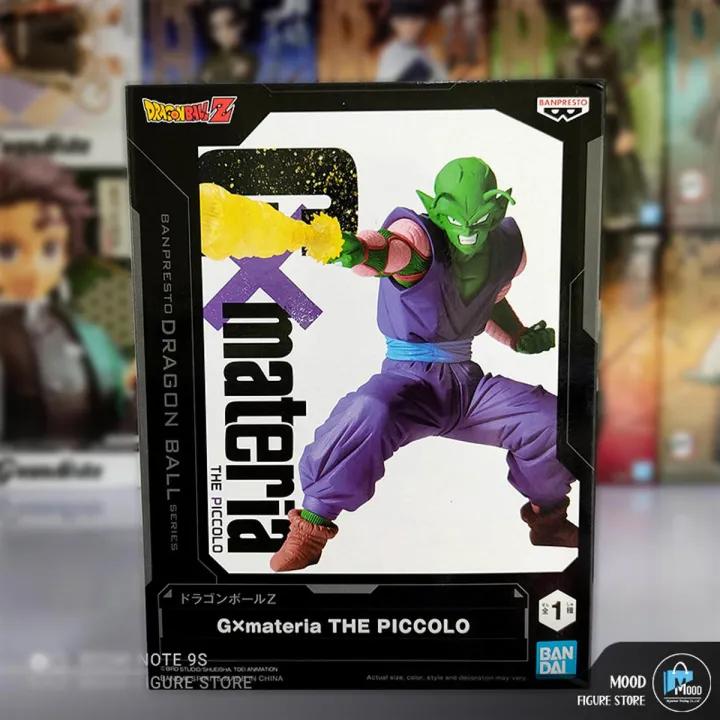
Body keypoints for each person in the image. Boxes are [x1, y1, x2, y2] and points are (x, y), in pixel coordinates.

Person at [265, 157, 578, 571]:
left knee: (553, 421)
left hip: (468, 386)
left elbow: (487, 299)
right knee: (368, 410)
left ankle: (548, 520)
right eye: (457, 219)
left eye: (480, 220)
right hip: (409, 381)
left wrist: (517, 335)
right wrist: (359, 250)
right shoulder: (419, 242)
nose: (468, 231)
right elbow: (387, 253)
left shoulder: (506, 249)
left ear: (498, 209)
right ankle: (310, 527)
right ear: (435, 209)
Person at [0, 157, 135, 448]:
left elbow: (110, 415)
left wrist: (132, 392)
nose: (32, 268)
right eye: (7, 251)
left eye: (49, 249)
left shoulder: (79, 330)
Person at [555, 0, 647, 229]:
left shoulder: (607, 53)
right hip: (574, 123)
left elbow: (620, 92)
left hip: (606, 122)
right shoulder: (564, 55)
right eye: (575, 21)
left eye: (586, 20)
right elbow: (556, 91)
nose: (581, 26)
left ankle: (614, 217)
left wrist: (627, 128)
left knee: (610, 173)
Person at [374, 0, 449, 82]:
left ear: (424, 22)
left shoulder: (430, 50)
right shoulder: (391, 53)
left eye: (415, 20)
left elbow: (443, 81)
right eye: (402, 21)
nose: (409, 26)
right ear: (393, 23)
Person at [199, 1, 257, 83]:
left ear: (242, 25)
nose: (224, 33)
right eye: (216, 28)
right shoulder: (208, 66)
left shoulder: (257, 59)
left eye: (229, 25)